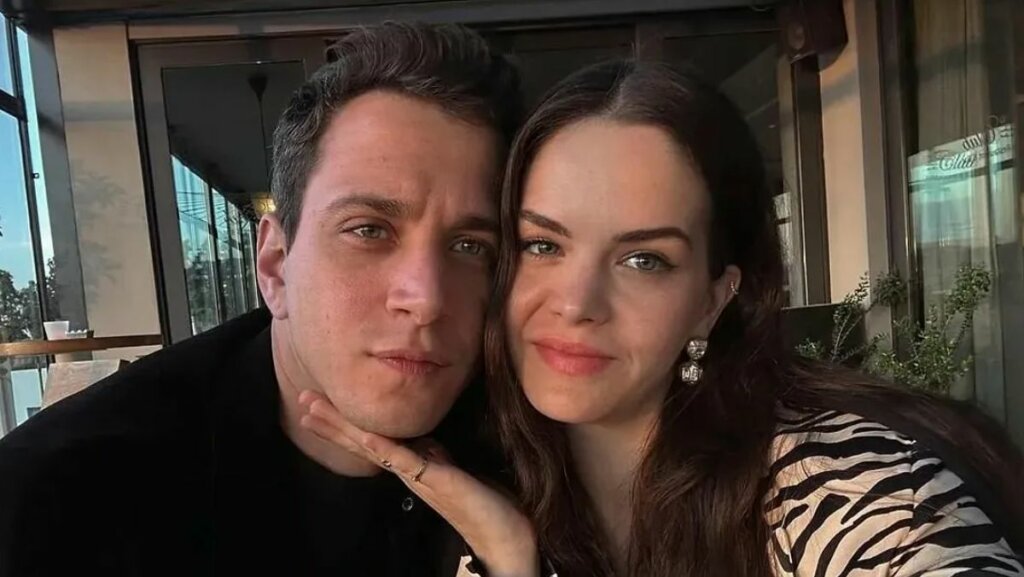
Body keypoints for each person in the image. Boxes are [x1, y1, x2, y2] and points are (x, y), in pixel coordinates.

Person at [301, 60, 1024, 577]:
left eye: (643, 260)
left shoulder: (849, 490)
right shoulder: (496, 489)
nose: (576, 302)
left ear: (713, 298)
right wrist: (512, 557)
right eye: (543, 245)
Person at [0, 22, 521, 576]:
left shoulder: (530, 448)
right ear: (275, 265)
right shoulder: (61, 508)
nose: (427, 298)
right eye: (368, 230)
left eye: (470, 246)